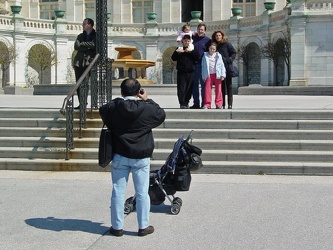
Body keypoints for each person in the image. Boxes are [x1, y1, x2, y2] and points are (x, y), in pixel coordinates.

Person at [99, 78, 166, 237]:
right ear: (138, 92)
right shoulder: (146, 109)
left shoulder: (114, 108)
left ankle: (117, 227)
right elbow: (161, 114)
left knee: (117, 191)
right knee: (142, 192)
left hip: (120, 155)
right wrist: (147, 99)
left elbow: (103, 109)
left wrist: (118, 100)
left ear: (122, 92)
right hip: (141, 156)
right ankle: (143, 226)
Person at [171, 34, 200, 109]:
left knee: (189, 88)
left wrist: (190, 52)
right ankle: (182, 103)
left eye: (188, 41)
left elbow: (197, 58)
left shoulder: (192, 49)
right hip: (181, 72)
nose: (186, 42)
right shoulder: (179, 48)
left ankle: (186, 102)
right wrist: (177, 52)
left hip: (190, 72)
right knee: (181, 88)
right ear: (182, 41)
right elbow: (173, 58)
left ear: (190, 41)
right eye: (185, 41)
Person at [73, 18, 96, 109]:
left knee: (85, 82)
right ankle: (82, 103)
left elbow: (94, 44)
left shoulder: (96, 35)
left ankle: (88, 102)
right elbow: (76, 46)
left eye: (84, 24)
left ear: (89, 25)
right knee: (79, 83)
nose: (82, 26)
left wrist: (82, 44)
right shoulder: (80, 36)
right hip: (79, 62)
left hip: (89, 62)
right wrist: (87, 46)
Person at [211, 30, 236, 109]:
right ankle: (222, 104)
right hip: (218, 69)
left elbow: (233, 52)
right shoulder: (214, 45)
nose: (218, 37)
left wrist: (230, 60)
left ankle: (230, 104)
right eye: (216, 36)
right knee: (221, 87)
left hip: (227, 67)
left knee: (229, 86)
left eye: (219, 35)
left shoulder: (227, 44)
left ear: (222, 36)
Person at [190, 23, 211, 109]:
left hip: (203, 66)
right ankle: (196, 103)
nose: (200, 31)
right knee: (194, 85)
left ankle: (204, 103)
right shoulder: (193, 39)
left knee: (204, 86)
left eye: (202, 29)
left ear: (204, 31)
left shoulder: (208, 40)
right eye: (199, 29)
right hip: (194, 65)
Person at [201, 42, 226, 109]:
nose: (212, 50)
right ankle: (207, 104)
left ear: (216, 49)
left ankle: (219, 104)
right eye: (211, 48)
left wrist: (223, 75)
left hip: (217, 74)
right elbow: (203, 66)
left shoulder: (218, 55)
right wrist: (203, 76)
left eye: (214, 49)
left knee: (218, 90)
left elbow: (222, 66)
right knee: (207, 90)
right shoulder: (205, 55)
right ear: (208, 48)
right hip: (208, 75)